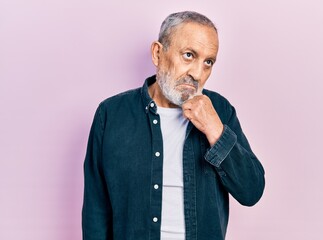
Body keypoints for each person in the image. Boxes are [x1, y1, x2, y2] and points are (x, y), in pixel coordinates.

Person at [82, 11, 265, 240]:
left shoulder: (220, 111)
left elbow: (252, 191)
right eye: (189, 55)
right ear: (158, 53)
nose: (197, 73)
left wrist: (215, 130)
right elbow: (96, 209)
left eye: (208, 62)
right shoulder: (110, 115)